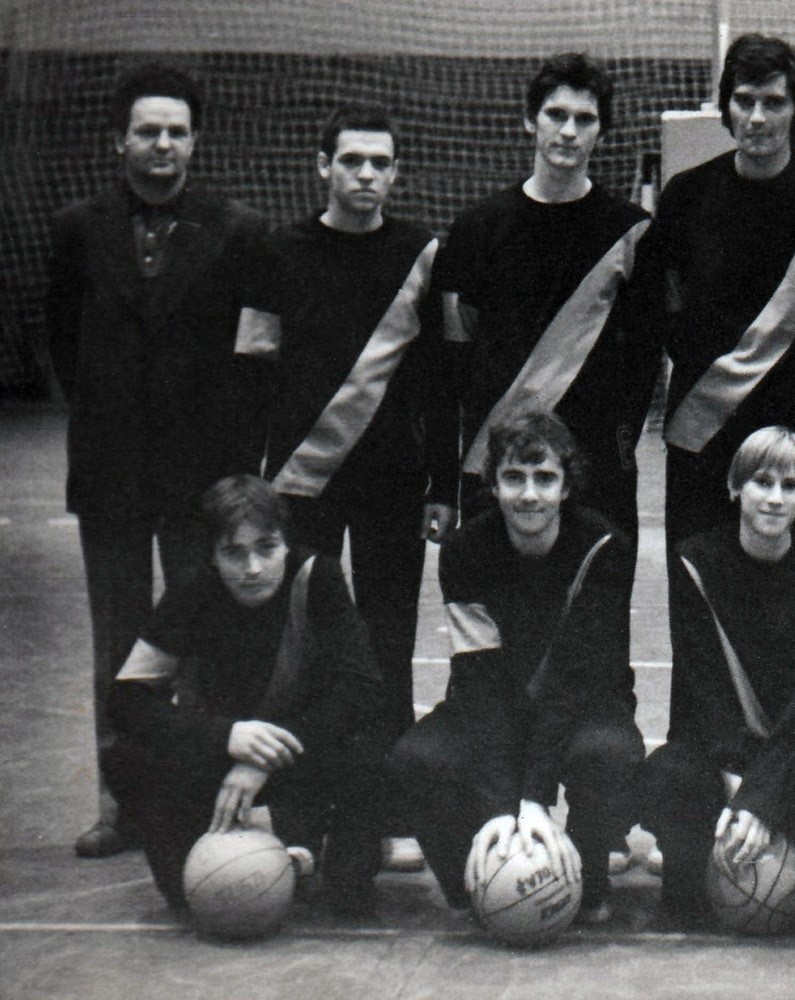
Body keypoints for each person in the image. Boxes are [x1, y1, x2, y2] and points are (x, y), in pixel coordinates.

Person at [46, 64, 267, 858]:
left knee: (198, 639)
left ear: (196, 140)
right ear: (120, 140)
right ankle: (121, 805)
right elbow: (62, 343)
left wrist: (230, 464)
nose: (163, 144)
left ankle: (200, 798)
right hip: (109, 472)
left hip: (199, 477)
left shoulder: (238, 230)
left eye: (177, 131)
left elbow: (255, 357)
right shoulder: (77, 229)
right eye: (148, 130)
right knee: (118, 642)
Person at [235, 102, 455, 756]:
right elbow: (251, 378)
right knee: (308, 635)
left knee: (390, 637)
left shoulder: (423, 255)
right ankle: (309, 780)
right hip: (301, 483)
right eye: (352, 161)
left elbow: (441, 382)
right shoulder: (276, 252)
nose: (366, 174)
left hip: (395, 481)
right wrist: (250, 483)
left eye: (380, 163)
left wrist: (444, 485)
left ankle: (388, 783)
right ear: (323, 166)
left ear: (396, 173)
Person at [384, 411, 641, 924]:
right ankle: (477, 883)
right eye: (514, 477)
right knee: (416, 758)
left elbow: (573, 679)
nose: (529, 494)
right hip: (495, 702)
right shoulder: (463, 551)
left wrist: (534, 800)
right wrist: (502, 810)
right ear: (493, 485)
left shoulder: (604, 546)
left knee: (610, 753)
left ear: (566, 486)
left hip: (582, 706)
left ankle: (586, 878)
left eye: (544, 478)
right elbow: (479, 681)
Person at [634, 32, 795, 551]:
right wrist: (709, 375)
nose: (757, 117)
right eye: (744, 101)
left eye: (774, 102)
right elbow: (666, 306)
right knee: (699, 577)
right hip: (704, 423)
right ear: (726, 106)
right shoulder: (686, 194)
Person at [99, 474, 385, 917]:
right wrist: (225, 736)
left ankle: (317, 851)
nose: (252, 568)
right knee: (127, 759)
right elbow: (125, 699)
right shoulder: (193, 590)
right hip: (222, 752)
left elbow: (363, 689)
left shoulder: (316, 577)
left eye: (266, 547)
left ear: (286, 544)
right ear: (212, 557)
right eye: (234, 552)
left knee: (369, 757)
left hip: (300, 749)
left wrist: (263, 757)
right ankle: (216, 852)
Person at [638, 427, 795, 931]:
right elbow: (703, 689)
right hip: (720, 745)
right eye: (762, 482)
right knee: (668, 774)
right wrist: (741, 784)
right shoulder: (695, 560)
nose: (775, 498)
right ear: (735, 486)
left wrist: (761, 795)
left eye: (790, 485)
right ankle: (689, 891)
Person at [433, 53, 654, 537]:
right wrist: (444, 485)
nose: (569, 131)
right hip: (496, 465)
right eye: (556, 114)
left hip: (597, 470)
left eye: (585, 119)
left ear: (602, 132)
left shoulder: (633, 233)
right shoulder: (476, 229)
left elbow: (644, 360)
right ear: (530, 120)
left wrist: (618, 445)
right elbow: (452, 367)